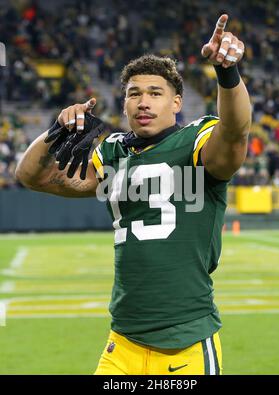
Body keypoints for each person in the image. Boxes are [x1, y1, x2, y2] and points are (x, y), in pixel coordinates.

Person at [15, 14, 251, 375]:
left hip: (184, 344)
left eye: (156, 93)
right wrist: (56, 131)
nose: (143, 102)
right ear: (123, 104)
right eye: (134, 94)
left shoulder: (196, 140)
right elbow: (32, 176)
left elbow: (235, 133)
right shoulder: (112, 151)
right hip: (122, 343)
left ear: (176, 103)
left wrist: (227, 73)